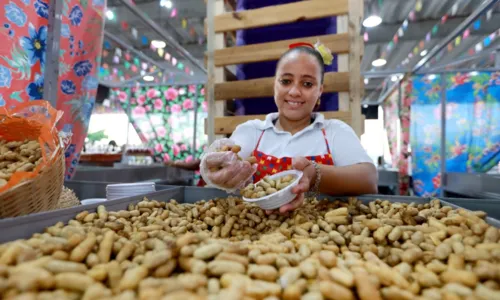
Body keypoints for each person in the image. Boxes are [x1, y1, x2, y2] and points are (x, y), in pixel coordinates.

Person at [199, 41, 378, 213]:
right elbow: (226, 157)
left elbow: (369, 180)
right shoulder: (252, 131)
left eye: (307, 84)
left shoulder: (334, 131)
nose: (294, 92)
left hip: (320, 237)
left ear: (320, 91)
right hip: (256, 234)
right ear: (274, 84)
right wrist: (216, 166)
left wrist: (315, 175)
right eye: (286, 81)